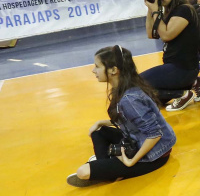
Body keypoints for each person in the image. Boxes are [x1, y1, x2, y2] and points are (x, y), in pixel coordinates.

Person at [67, 46, 175, 187]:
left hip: (154, 155)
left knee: (82, 172)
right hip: (137, 139)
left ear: (113, 70)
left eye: (97, 66)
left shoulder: (130, 99)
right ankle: (109, 169)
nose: (94, 70)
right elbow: (131, 120)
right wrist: (102, 122)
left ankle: (109, 170)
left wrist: (132, 161)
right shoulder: (124, 88)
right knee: (98, 131)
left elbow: (155, 134)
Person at [142, 0, 200, 110]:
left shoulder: (184, 10)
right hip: (173, 67)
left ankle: (182, 93)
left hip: (182, 68)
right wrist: (150, 8)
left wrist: (156, 11)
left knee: (137, 82)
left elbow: (166, 35)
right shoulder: (169, 11)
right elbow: (151, 34)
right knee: (151, 101)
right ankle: (192, 84)